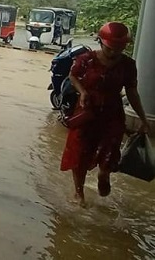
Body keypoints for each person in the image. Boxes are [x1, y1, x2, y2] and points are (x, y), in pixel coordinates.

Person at [60, 21, 150, 206]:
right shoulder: (86, 59)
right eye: (110, 48)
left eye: (119, 48)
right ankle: (79, 192)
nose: (114, 52)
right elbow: (73, 75)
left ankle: (104, 174)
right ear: (100, 42)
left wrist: (143, 119)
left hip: (112, 112)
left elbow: (132, 92)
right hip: (87, 110)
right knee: (80, 151)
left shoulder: (128, 65)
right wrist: (83, 92)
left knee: (111, 149)